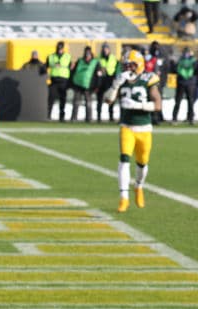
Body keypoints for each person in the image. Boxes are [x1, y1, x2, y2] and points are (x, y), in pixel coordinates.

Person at [104, 50, 161, 212]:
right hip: (126, 126)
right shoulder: (122, 79)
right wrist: (115, 85)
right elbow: (108, 100)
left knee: (142, 163)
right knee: (124, 159)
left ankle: (139, 186)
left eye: (131, 65)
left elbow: (158, 105)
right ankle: (124, 198)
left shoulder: (149, 78)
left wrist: (138, 106)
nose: (128, 68)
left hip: (144, 127)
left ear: (140, 64)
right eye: (126, 65)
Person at [69, 46, 98, 123]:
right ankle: (74, 118)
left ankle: (89, 118)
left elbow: (97, 75)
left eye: (88, 54)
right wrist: (72, 83)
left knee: (88, 103)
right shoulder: (80, 61)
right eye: (86, 53)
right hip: (78, 84)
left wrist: (96, 86)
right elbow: (73, 71)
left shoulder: (95, 62)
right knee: (76, 102)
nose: (87, 56)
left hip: (88, 86)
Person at [46, 41, 72, 122]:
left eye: (61, 48)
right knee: (51, 98)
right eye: (58, 48)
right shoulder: (51, 56)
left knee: (62, 99)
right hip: (54, 80)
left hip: (64, 81)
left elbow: (71, 68)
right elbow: (45, 65)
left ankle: (62, 116)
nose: (59, 49)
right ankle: (48, 115)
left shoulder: (67, 56)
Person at [171, 46, 197, 124]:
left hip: (188, 83)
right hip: (183, 82)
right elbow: (175, 69)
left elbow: (196, 70)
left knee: (190, 101)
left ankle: (190, 117)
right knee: (179, 101)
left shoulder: (192, 60)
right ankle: (175, 118)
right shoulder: (181, 60)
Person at [94, 44, 118, 123]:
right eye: (104, 49)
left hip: (110, 80)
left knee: (110, 99)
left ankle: (111, 117)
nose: (105, 50)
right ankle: (98, 117)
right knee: (99, 100)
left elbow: (116, 69)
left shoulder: (113, 58)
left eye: (106, 49)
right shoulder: (98, 58)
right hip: (101, 80)